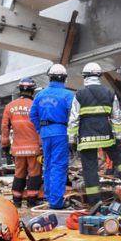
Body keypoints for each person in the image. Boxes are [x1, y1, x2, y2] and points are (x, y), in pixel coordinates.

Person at [67, 62, 121, 206]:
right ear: (99, 76)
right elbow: (116, 117)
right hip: (106, 136)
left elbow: (74, 119)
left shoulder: (79, 94)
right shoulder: (109, 93)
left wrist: (71, 139)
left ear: (85, 77)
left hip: (86, 138)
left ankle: (94, 201)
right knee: (119, 157)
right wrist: (118, 136)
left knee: (90, 169)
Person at [29, 64, 74, 209]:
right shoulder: (68, 95)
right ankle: (56, 201)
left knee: (48, 164)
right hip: (60, 132)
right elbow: (73, 116)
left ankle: (49, 196)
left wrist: (40, 129)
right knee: (58, 166)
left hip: (45, 133)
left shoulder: (40, 95)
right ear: (64, 78)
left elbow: (33, 115)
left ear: (50, 77)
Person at [1, 77, 42, 208]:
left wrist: (5, 145)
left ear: (19, 90)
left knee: (19, 174)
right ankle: (31, 201)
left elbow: (4, 127)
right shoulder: (36, 105)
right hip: (34, 149)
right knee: (34, 174)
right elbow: (41, 126)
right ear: (33, 90)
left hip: (18, 149)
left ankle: (17, 201)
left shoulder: (9, 107)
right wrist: (42, 145)